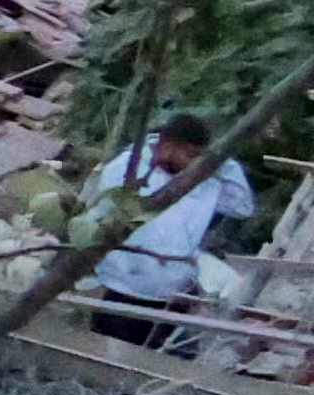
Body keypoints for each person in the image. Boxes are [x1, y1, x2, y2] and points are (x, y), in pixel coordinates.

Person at [93, 109, 265, 346]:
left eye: (200, 157)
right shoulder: (127, 167)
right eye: (190, 154)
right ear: (168, 146)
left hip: (170, 290)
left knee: (149, 357)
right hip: (125, 284)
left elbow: (242, 207)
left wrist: (222, 162)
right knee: (106, 349)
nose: (194, 162)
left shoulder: (205, 179)